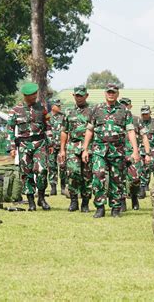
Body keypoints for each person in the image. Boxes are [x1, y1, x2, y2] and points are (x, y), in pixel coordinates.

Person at [82, 84, 141, 218]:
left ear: (117, 94)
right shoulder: (96, 109)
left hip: (117, 150)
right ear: (105, 93)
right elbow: (89, 130)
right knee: (97, 175)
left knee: (117, 180)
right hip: (99, 150)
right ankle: (100, 207)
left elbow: (131, 130)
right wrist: (85, 149)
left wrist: (135, 150)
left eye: (113, 92)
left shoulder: (124, 111)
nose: (111, 94)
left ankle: (115, 208)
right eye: (108, 92)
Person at [7, 82, 53, 211]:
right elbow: (10, 129)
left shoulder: (42, 108)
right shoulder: (15, 110)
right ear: (25, 96)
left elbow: (48, 126)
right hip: (23, 144)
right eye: (30, 95)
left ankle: (42, 198)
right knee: (26, 173)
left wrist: (51, 143)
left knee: (42, 170)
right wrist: (11, 147)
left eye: (35, 94)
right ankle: (31, 201)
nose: (33, 97)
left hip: (40, 143)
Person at [59, 85, 93, 213]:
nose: (79, 98)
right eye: (76, 95)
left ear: (86, 96)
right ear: (73, 96)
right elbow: (64, 131)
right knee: (72, 173)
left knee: (87, 175)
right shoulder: (68, 112)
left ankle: (85, 202)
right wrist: (62, 150)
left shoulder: (92, 111)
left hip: (87, 146)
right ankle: (74, 201)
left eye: (81, 95)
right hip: (72, 146)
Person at [119, 97, 151, 211]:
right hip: (119, 153)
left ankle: (134, 197)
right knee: (119, 178)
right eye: (121, 104)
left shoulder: (137, 120)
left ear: (130, 106)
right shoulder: (116, 118)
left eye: (126, 105)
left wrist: (147, 153)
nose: (124, 107)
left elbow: (144, 137)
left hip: (133, 153)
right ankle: (122, 201)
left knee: (135, 178)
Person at [48, 98, 67, 196]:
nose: (59, 107)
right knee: (52, 167)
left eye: (60, 105)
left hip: (61, 146)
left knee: (63, 166)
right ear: (52, 106)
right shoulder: (47, 117)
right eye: (57, 105)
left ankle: (63, 187)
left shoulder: (63, 117)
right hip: (50, 146)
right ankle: (53, 187)